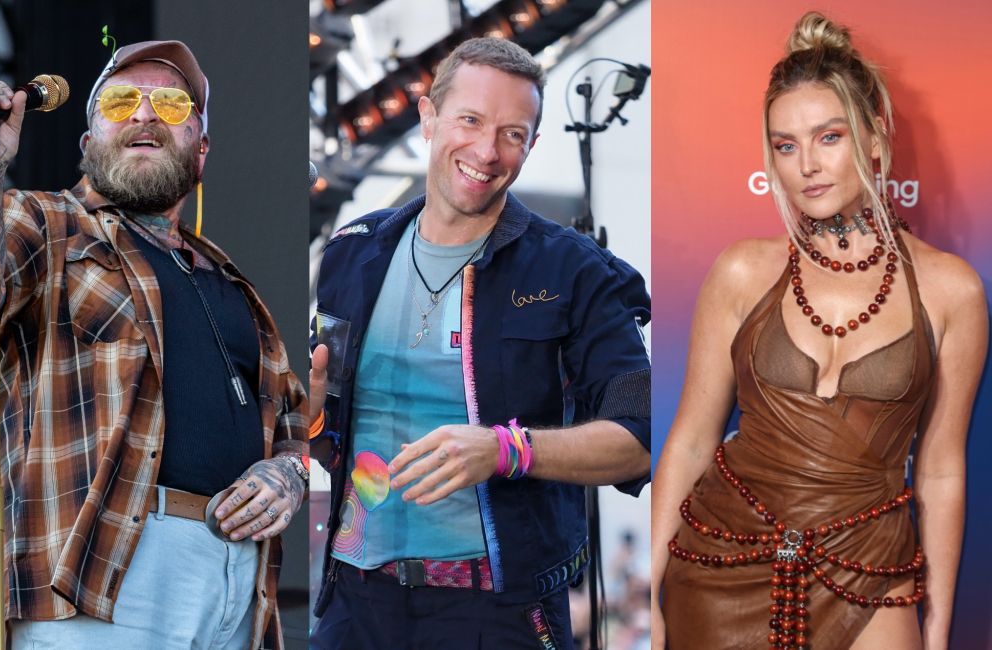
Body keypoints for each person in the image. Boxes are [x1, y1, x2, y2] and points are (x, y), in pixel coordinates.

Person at [650, 13, 987, 650]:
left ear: (876, 139)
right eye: (785, 145)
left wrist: (936, 625)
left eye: (828, 137)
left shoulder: (951, 289)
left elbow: (942, 470)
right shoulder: (743, 269)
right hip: (721, 559)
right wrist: (652, 591)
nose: (807, 164)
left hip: (869, 567)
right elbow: (692, 441)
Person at [308, 37, 651, 649]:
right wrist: (306, 417)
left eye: (513, 134)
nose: (487, 151)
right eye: (470, 120)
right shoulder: (352, 251)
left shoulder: (574, 271)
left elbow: (643, 434)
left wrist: (506, 450)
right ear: (427, 117)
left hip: (498, 611)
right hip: (354, 602)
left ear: (531, 146)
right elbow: (325, 425)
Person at [0, 40, 310, 648]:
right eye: (123, 101)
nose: (146, 115)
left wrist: (286, 472)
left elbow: (293, 416)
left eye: (173, 106)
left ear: (200, 152)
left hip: (242, 583)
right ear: (88, 141)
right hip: (99, 577)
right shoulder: (44, 225)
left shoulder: (229, 281)